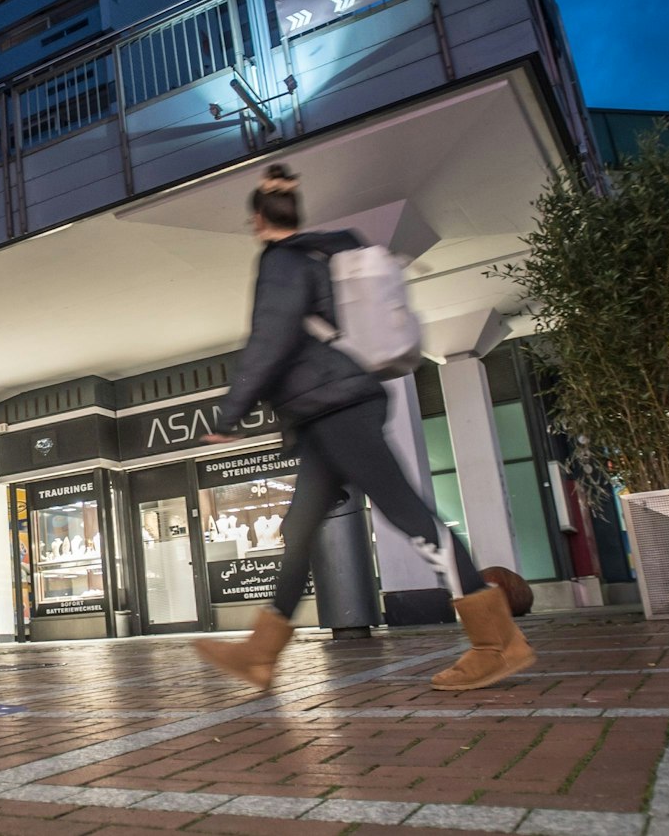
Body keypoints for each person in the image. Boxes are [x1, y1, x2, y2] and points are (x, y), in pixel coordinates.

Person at [193, 165, 534, 692]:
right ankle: (261, 654)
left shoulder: (283, 261)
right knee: (299, 530)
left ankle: (496, 644)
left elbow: (271, 338)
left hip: (335, 408)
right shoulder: (324, 252)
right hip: (325, 408)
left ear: (258, 220)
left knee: (409, 513)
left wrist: (228, 413)